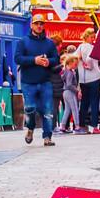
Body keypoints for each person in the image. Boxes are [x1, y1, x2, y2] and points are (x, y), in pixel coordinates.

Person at [17, 16, 61, 147]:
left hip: (45, 81)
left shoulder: (49, 43)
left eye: (41, 23)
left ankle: (47, 137)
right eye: (36, 23)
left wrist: (48, 62)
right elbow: (17, 58)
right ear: (31, 25)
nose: (39, 26)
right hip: (28, 82)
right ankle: (30, 128)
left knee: (48, 110)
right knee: (30, 109)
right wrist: (34, 60)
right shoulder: (23, 42)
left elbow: (56, 59)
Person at [73, 31, 100, 133]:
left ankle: (82, 125)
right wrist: (90, 66)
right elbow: (89, 59)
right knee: (94, 102)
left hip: (83, 80)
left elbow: (74, 58)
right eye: (92, 37)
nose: (93, 39)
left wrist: (80, 62)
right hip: (94, 78)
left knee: (84, 103)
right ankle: (94, 126)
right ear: (87, 37)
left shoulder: (80, 47)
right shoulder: (92, 47)